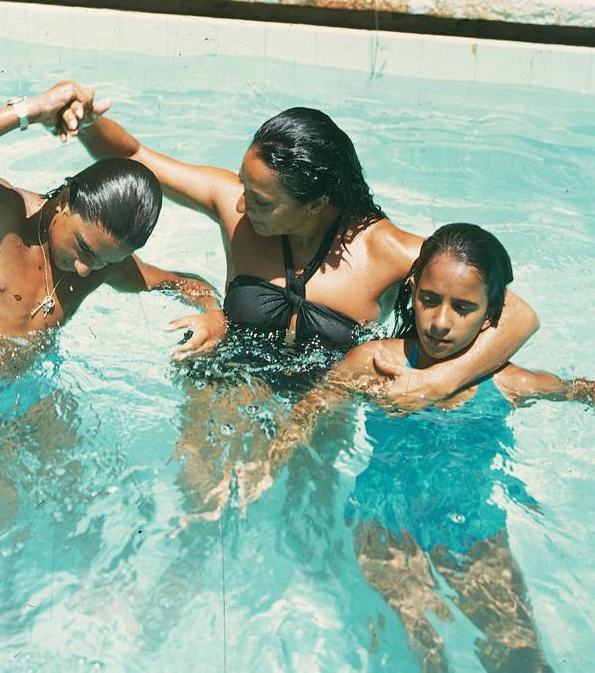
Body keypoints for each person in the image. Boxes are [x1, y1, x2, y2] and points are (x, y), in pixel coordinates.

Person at [232, 223, 593, 669]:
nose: (440, 322)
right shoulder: (376, 362)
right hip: (384, 522)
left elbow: (580, 391)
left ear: (492, 315)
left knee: (520, 653)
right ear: (412, 291)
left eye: (463, 308)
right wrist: (269, 463)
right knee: (423, 653)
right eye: (429, 300)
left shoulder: (507, 383)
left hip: (472, 528)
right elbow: (313, 408)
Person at [70, 99, 539, 398]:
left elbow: (517, 312)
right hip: (226, 384)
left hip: (320, 402)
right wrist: (86, 119)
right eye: (244, 184)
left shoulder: (384, 249)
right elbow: (134, 156)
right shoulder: (236, 211)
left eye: (261, 199)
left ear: (316, 204)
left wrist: (442, 380)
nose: (239, 201)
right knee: (203, 513)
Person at [0, 81, 219, 363]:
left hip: (37, 392)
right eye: (84, 248)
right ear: (64, 200)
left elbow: (186, 284)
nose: (84, 269)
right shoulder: (1, 216)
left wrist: (214, 314)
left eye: (102, 261)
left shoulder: (104, 264)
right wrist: (30, 111)